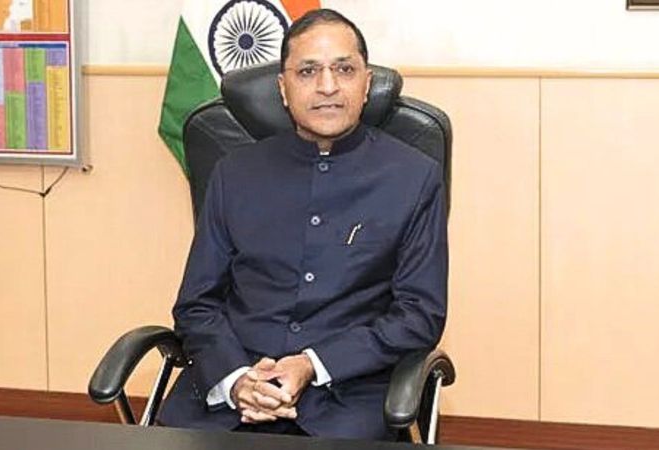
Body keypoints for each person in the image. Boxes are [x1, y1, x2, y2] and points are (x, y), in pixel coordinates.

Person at [158, 8, 448, 441]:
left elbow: (418, 316)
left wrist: (312, 364)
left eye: (344, 69)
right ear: (283, 87)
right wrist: (236, 380)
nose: (327, 86)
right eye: (308, 71)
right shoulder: (233, 172)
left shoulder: (414, 177)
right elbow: (196, 305)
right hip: (228, 399)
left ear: (366, 83)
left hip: (344, 401)